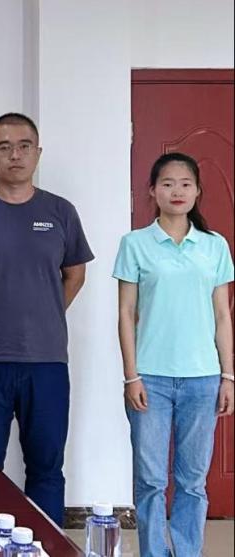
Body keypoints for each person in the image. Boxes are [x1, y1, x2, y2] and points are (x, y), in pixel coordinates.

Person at [0, 113, 93, 525]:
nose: (15, 155)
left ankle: (45, 545)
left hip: (47, 361)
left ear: (38, 153)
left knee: (46, 465)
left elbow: (75, 274)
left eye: (24, 146)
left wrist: (45, 311)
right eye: (5, 147)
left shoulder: (60, 211)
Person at [114, 152, 234, 557]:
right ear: (152, 191)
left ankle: (185, 552)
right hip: (150, 379)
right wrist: (131, 375)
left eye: (185, 184)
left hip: (203, 378)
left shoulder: (214, 246)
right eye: (167, 183)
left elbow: (222, 315)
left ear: (198, 191)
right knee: (150, 479)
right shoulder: (135, 244)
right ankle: (153, 552)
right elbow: (126, 314)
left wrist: (228, 376)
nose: (177, 191)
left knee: (192, 481)